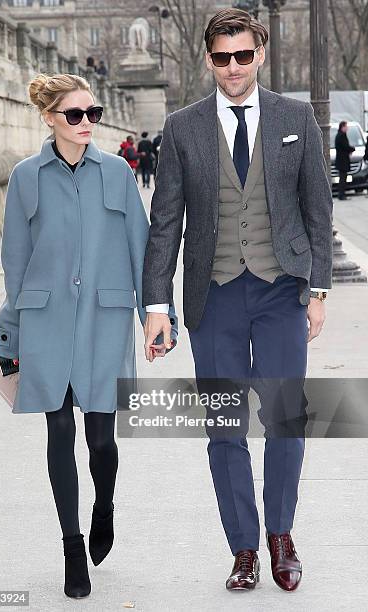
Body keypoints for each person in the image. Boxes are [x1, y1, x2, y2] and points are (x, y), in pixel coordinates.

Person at [142, 8, 332, 593]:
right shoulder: (182, 127)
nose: (232, 66)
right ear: (208, 59)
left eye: (242, 55)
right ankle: (244, 547)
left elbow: (318, 210)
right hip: (214, 295)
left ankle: (281, 536)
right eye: (222, 56)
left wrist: (317, 290)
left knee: (284, 418)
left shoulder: (295, 117)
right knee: (225, 427)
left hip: (281, 291)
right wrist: (155, 306)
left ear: (260, 56)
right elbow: (165, 221)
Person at [0, 73, 178, 599]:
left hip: (104, 319)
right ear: (50, 118)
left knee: (101, 440)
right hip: (46, 321)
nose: (86, 124)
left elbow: (142, 250)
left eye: (91, 113)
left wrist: (156, 316)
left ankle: (105, 505)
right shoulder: (25, 177)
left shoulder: (117, 172)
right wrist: (9, 336)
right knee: (59, 435)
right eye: (74, 115)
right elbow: (15, 262)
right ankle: (73, 548)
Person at [335, 120, 355, 200]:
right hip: (342, 161)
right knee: (343, 178)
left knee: (343, 178)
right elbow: (345, 146)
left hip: (342, 160)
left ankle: (342, 194)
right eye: (346, 126)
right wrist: (352, 149)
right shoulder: (341, 136)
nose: (347, 128)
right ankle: (341, 195)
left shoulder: (341, 135)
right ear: (342, 127)